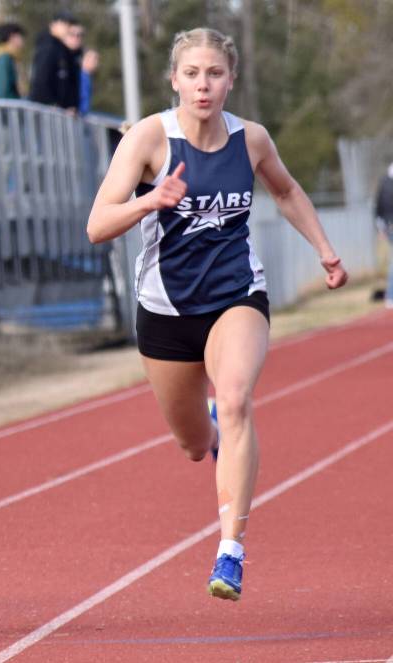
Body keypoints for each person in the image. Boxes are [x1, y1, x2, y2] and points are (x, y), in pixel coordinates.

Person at [87, 28, 347, 602]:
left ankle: (231, 548)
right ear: (174, 80)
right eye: (192, 74)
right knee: (191, 441)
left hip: (236, 295)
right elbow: (97, 224)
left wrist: (324, 249)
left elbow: (284, 191)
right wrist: (150, 200)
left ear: (231, 79)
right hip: (166, 310)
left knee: (235, 399)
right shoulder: (151, 139)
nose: (203, 85)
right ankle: (208, 432)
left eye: (214, 74)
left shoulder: (250, 139)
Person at [29, 10, 80, 112]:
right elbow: (41, 79)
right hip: (46, 111)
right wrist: (50, 103)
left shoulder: (62, 49)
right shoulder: (48, 47)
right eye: (64, 23)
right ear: (53, 25)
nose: (67, 27)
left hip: (59, 111)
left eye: (69, 24)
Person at [375, 161, 393, 307]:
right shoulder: (386, 183)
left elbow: (377, 207)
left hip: (387, 225)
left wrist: (379, 226)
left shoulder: (384, 182)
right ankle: (391, 295)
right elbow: (379, 206)